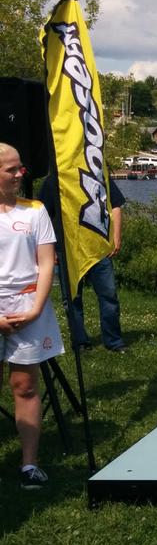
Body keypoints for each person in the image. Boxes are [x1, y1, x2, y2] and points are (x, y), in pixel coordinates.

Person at [0, 143, 64, 489]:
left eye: (20, 167)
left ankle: (29, 463)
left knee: (24, 385)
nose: (20, 174)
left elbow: (46, 262)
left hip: (28, 307)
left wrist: (36, 308)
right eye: (11, 169)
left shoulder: (35, 210)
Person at [38, 174, 127, 353]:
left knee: (109, 295)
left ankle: (114, 341)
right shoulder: (55, 178)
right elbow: (43, 215)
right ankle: (80, 342)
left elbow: (115, 205)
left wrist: (116, 236)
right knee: (72, 299)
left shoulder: (98, 173)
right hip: (67, 250)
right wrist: (50, 248)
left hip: (98, 247)